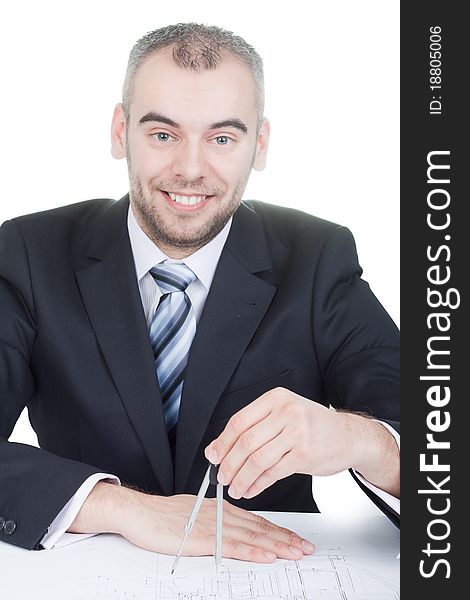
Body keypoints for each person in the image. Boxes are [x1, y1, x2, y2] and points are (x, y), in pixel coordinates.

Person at [0, 23, 399, 562]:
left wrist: (360, 440)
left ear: (258, 145)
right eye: (163, 134)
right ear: (120, 132)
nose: (190, 169)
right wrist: (124, 509)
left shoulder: (318, 257)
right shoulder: (28, 251)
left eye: (222, 138)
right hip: (81, 566)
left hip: (270, 571)